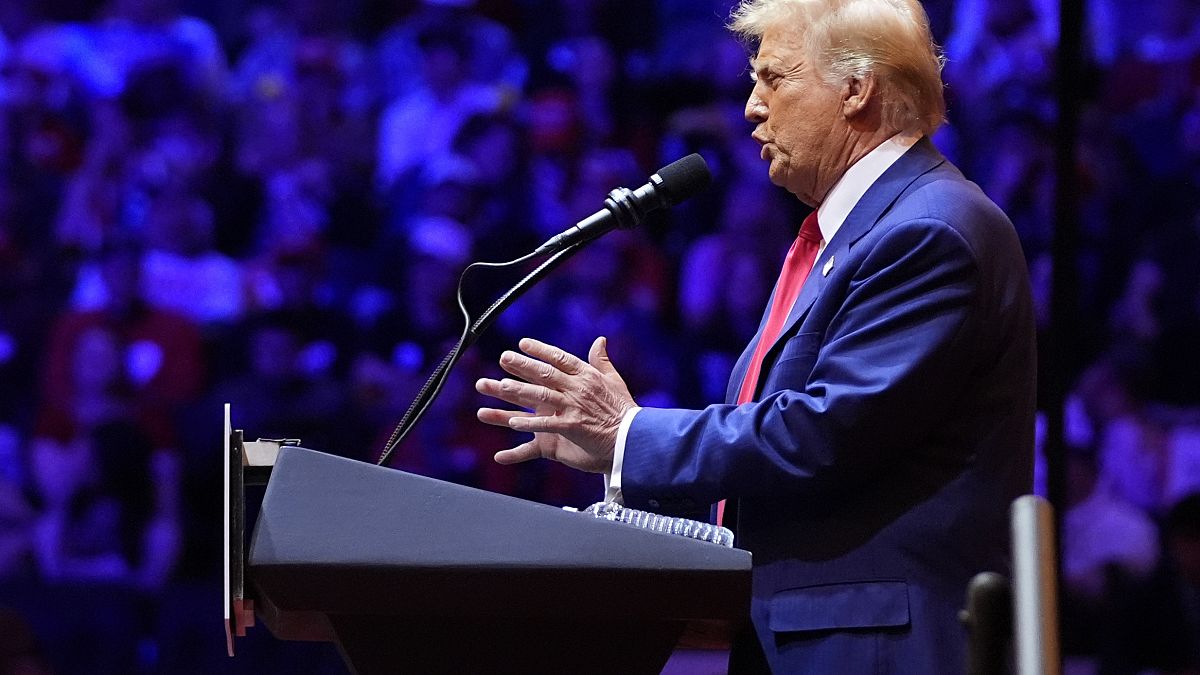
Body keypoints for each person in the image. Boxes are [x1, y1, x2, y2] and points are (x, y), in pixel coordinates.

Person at [475, 0, 1035, 672]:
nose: (750, 107)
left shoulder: (927, 231)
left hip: (877, 647)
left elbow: (821, 436)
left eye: (773, 78)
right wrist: (626, 464)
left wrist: (632, 435)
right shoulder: (850, 236)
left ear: (856, 87)